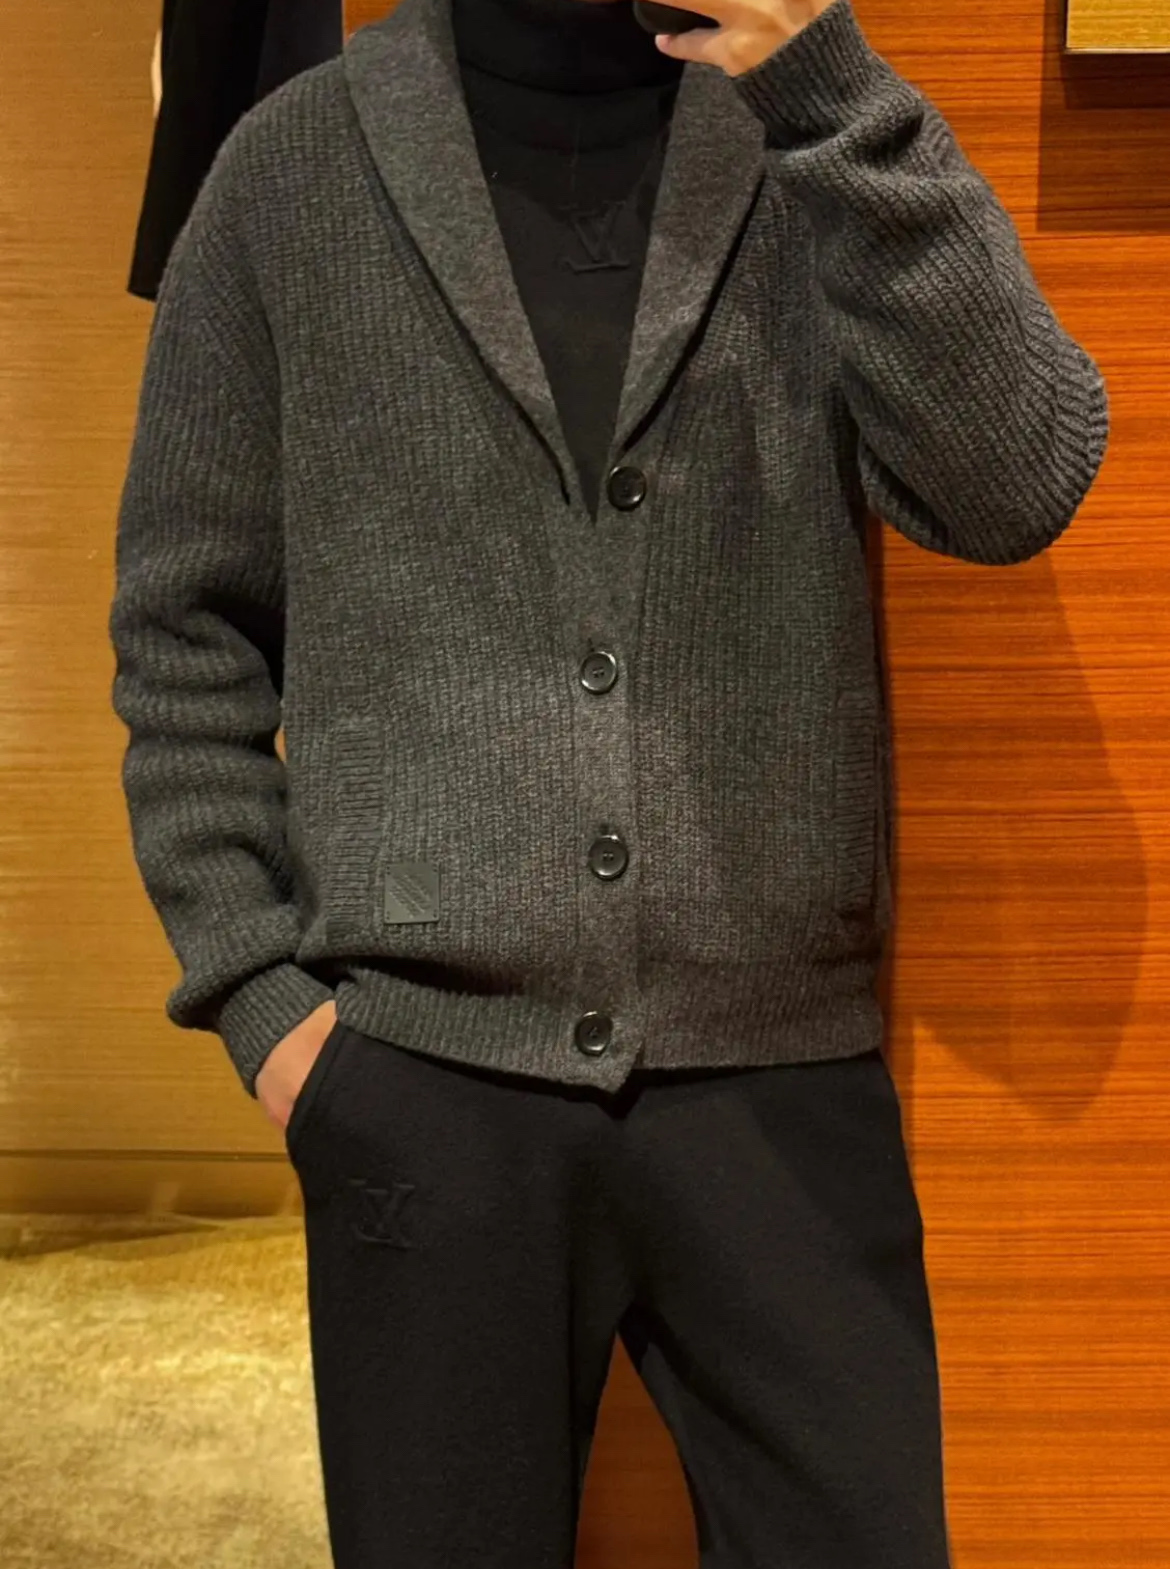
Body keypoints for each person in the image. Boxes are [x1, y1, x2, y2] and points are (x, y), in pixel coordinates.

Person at [107, 0, 1109, 1563]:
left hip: (781, 1078)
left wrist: (822, 85)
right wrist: (267, 1008)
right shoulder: (289, 173)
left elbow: (1017, 479)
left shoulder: (806, 138)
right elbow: (184, 636)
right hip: (422, 1089)